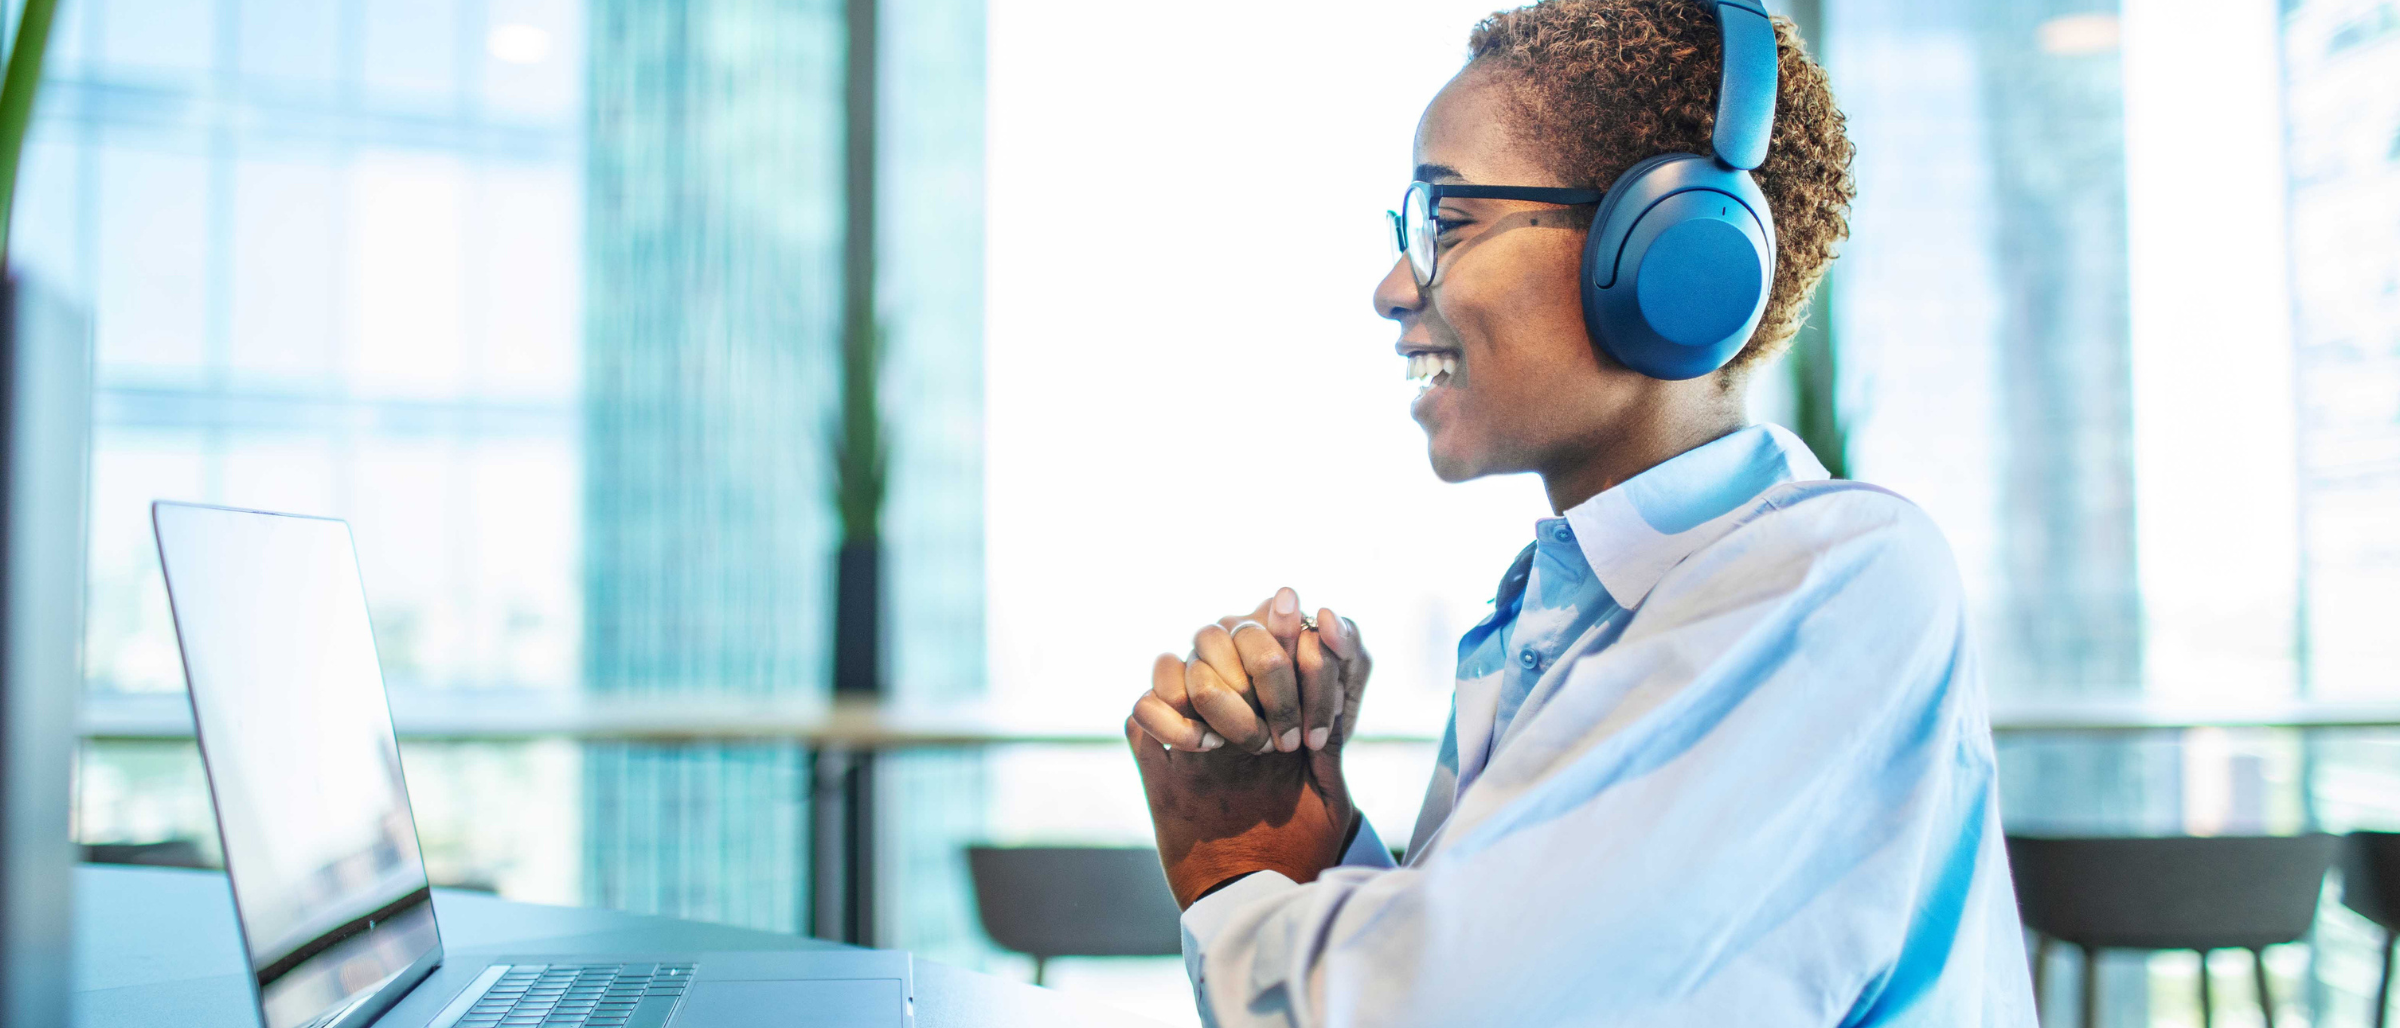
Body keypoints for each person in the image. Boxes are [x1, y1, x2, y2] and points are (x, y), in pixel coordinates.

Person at [1123, 1, 2037, 1025]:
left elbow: (1461, 1010)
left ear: (1671, 252)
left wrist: (1240, 877)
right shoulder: (1566, 609)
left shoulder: (1835, 580)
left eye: (1449, 224)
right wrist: (1310, 836)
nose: (1391, 287)